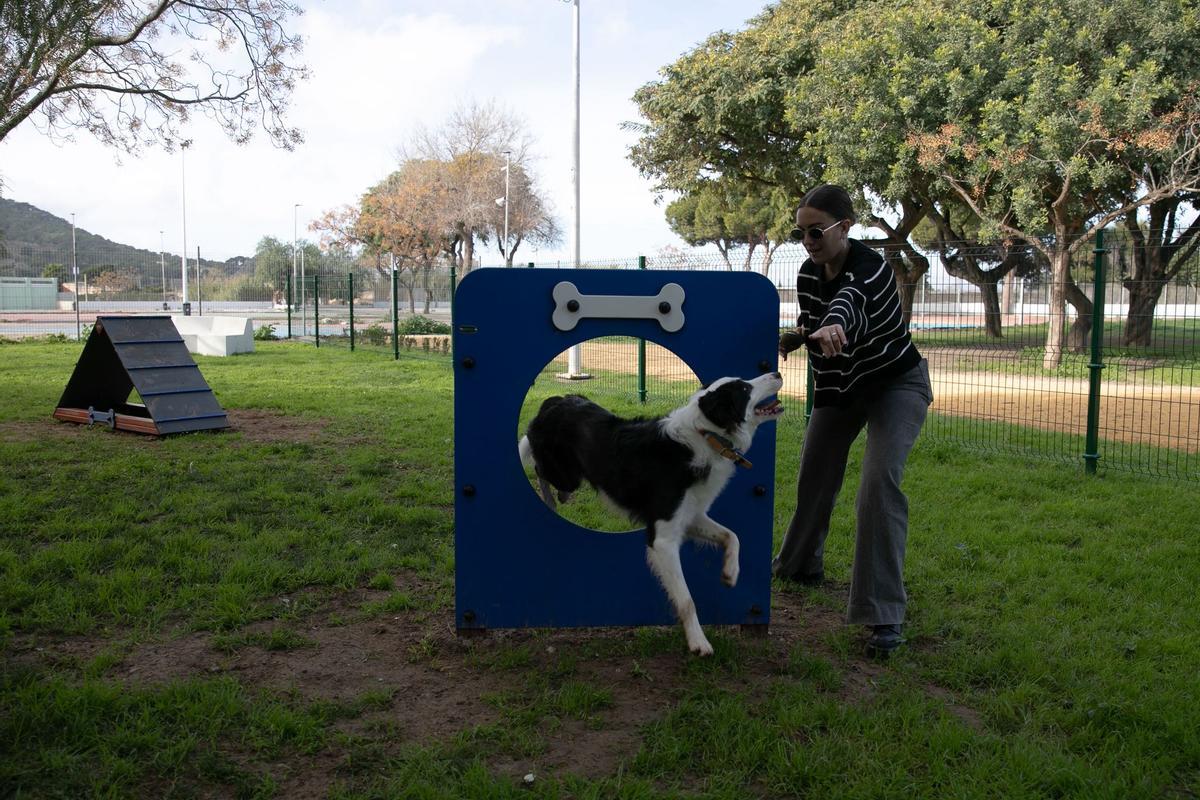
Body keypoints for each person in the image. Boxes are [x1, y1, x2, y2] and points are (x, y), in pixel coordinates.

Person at [774, 184, 933, 658]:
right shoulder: (807, 274)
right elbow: (816, 320)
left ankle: (883, 614)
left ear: (845, 227)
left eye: (816, 230)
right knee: (814, 474)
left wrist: (835, 325)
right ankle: (799, 566)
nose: (808, 241)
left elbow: (850, 305)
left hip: (895, 384)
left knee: (879, 485)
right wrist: (799, 337)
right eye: (801, 232)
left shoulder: (874, 269)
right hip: (840, 387)